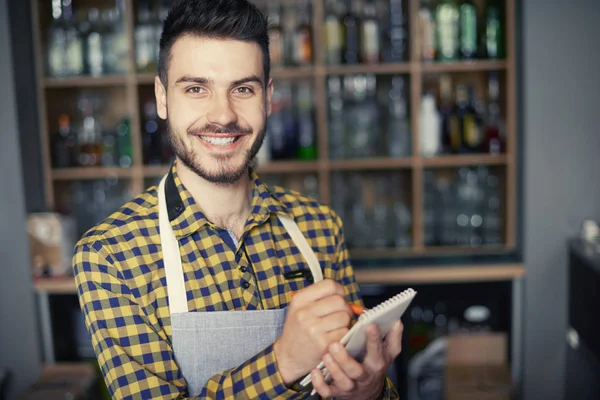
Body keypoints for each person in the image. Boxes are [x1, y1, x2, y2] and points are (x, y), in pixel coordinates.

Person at [72, 0, 404, 398]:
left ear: (267, 98)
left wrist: (367, 389)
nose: (223, 115)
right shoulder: (110, 257)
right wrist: (281, 362)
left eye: (242, 89)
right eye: (196, 88)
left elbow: (349, 382)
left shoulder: (318, 227)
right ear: (162, 98)